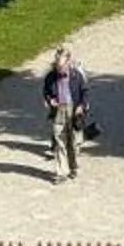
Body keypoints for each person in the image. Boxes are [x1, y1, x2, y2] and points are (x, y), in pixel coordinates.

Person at [42, 49, 91, 181]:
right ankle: (61, 173)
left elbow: (85, 92)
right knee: (59, 141)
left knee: (73, 142)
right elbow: (46, 92)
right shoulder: (50, 77)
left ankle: (73, 167)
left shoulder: (77, 76)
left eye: (62, 66)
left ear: (68, 63)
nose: (59, 69)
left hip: (73, 110)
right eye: (57, 66)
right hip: (58, 110)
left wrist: (82, 106)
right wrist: (50, 100)